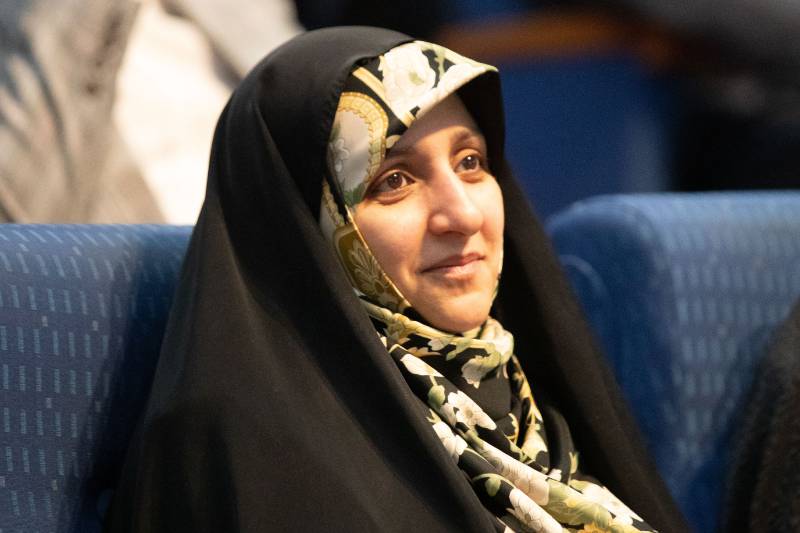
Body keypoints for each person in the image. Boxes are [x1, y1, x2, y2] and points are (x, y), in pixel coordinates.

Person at [105, 27, 685, 532]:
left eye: (471, 163)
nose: (463, 214)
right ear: (308, 225)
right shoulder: (252, 455)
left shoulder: (530, 402)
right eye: (394, 181)